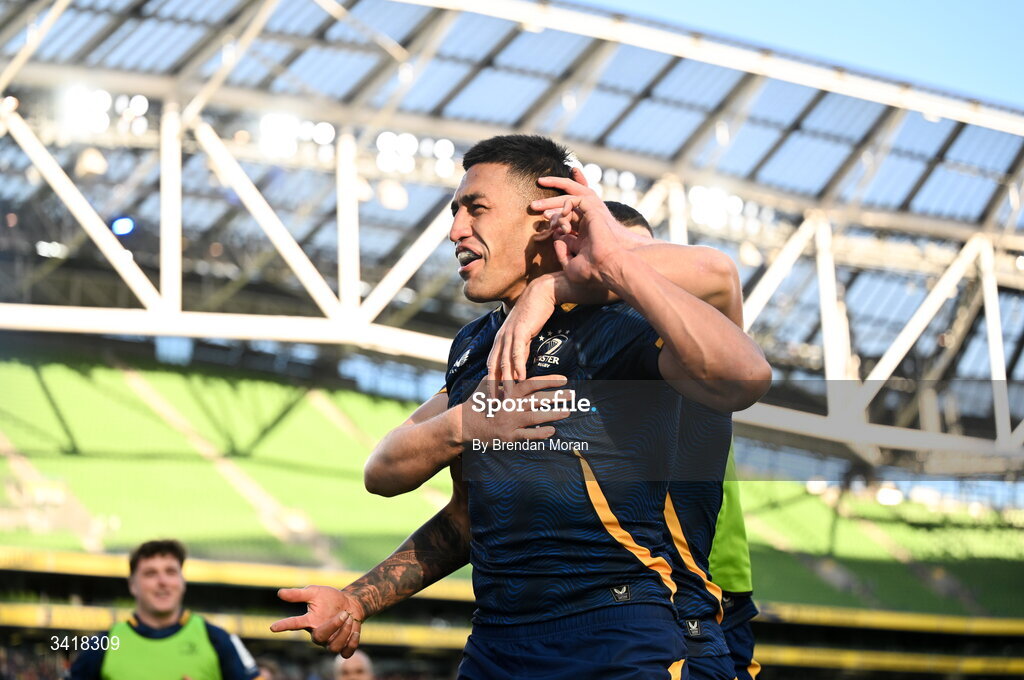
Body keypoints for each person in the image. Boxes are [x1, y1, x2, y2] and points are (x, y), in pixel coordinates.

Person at [270, 135, 770, 678]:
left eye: (475, 209)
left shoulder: (623, 324)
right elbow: (450, 509)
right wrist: (358, 600)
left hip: (618, 632)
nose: (456, 229)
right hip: (496, 644)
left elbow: (743, 375)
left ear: (545, 218)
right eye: (454, 212)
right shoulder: (473, 347)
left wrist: (598, 268)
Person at [69, 539, 261, 680]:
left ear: (182, 581)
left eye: (170, 572)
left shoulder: (219, 639)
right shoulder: (101, 644)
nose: (162, 582)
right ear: (133, 585)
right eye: (150, 573)